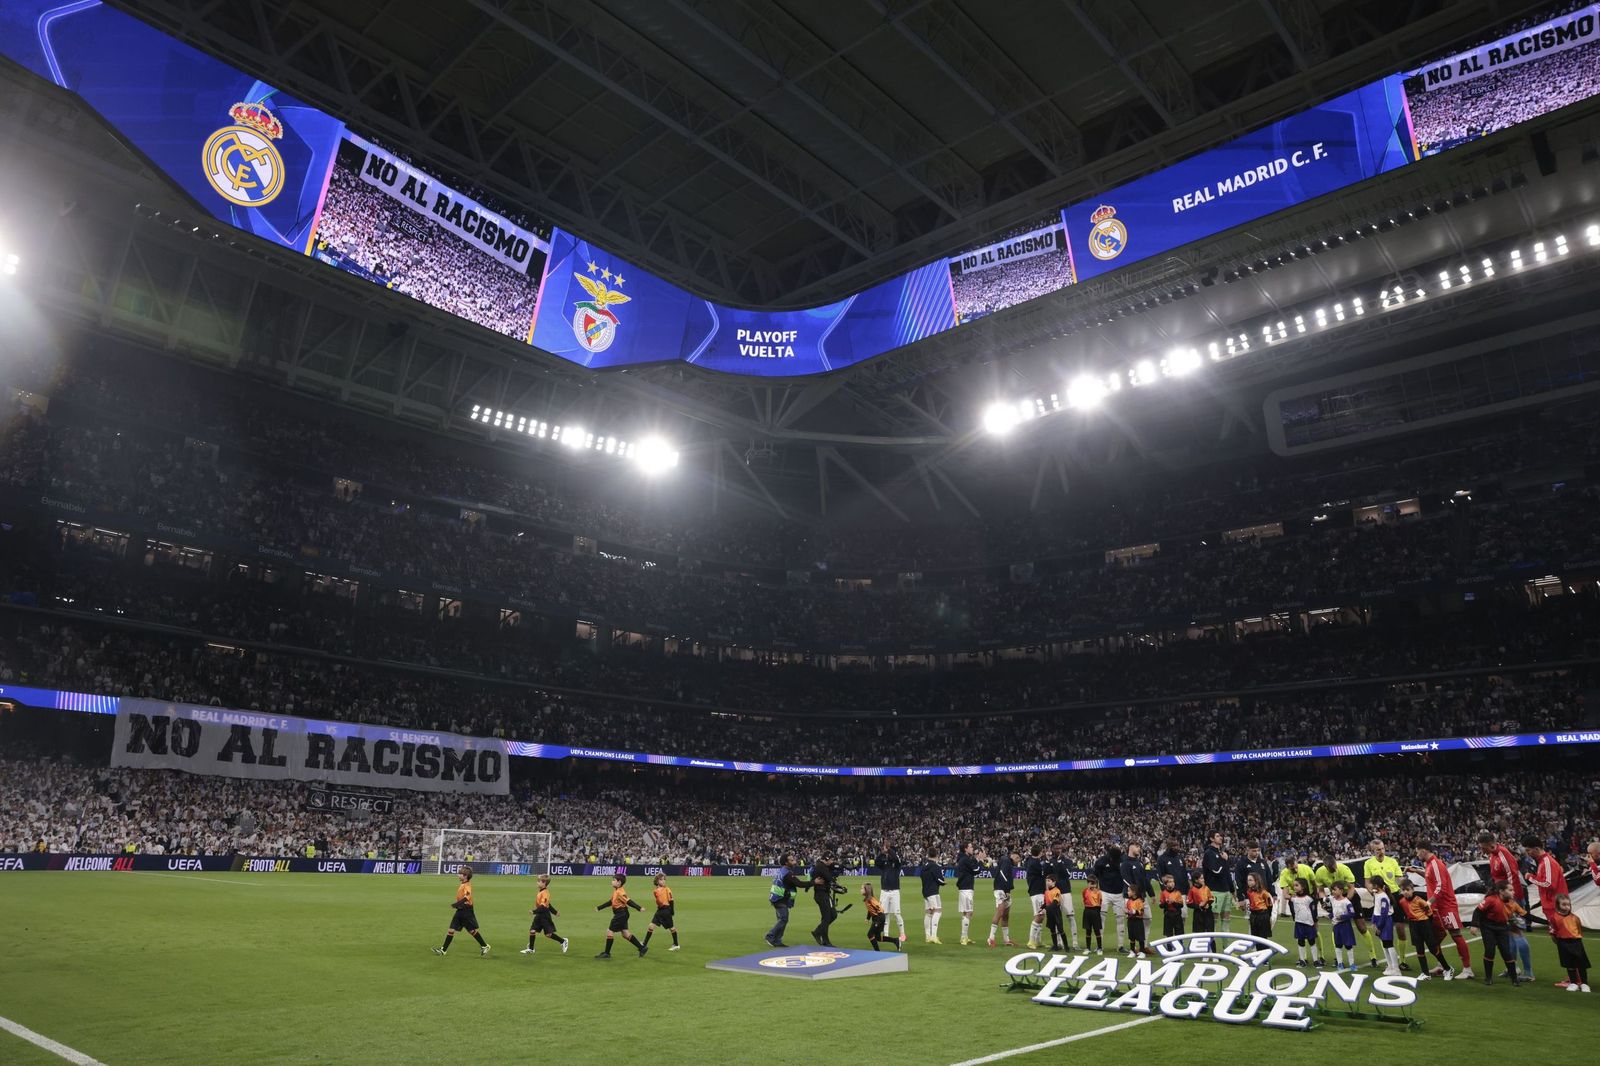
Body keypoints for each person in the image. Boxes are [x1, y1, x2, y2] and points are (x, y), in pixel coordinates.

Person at [1414, 843, 1474, 979]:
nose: (1417, 855)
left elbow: (1441, 887)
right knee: (1435, 937)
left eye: (1418, 852)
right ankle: (1442, 965)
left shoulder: (1436, 864)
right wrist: (1416, 871)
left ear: (1424, 850)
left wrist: (1429, 902)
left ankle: (1467, 969)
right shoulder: (1429, 864)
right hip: (1435, 907)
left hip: (1446, 906)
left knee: (1456, 934)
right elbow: (1430, 878)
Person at [1364, 839, 1408, 969]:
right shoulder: (1368, 863)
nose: (1381, 851)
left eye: (1383, 848)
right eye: (1378, 849)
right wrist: (1374, 893)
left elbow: (1399, 879)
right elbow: (1367, 882)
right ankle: (1390, 963)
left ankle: (1402, 961)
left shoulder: (1392, 861)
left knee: (1400, 928)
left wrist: (1405, 886)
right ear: (1372, 850)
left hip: (1394, 896)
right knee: (1382, 930)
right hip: (1380, 897)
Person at [1397, 881, 1450, 979]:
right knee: (1419, 949)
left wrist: (1427, 923)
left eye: (1408, 889)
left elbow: (1429, 912)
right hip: (1413, 925)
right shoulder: (1401, 902)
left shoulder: (1419, 900)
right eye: (1403, 890)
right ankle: (1425, 974)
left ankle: (1448, 969)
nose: (1405, 892)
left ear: (1412, 890)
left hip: (1424, 923)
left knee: (1433, 949)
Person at [1473, 881, 1522, 987]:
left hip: (1502, 928)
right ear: (1501, 891)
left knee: (1506, 953)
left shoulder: (1512, 903)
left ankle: (1514, 978)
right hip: (1488, 927)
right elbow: (1477, 911)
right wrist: (1474, 925)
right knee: (1490, 951)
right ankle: (1488, 978)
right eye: (1510, 890)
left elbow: (1526, 915)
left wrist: (1546, 922)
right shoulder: (1491, 899)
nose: (1513, 892)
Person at [434, 864, 490, 957]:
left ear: (465, 876)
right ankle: (443, 950)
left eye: (460, 874)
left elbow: (467, 897)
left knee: (471, 930)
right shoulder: (463, 884)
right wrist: (458, 905)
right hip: (461, 910)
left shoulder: (467, 886)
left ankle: (485, 946)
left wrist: (456, 904)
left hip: (466, 911)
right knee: (452, 929)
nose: (458, 875)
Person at [1523, 835, 1570, 931]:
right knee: (1558, 935)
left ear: (1536, 849)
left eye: (1528, 850)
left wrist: (1530, 877)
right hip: (1552, 905)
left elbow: (1549, 884)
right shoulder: (1542, 862)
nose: (1527, 853)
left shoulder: (1547, 862)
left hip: (1555, 906)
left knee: (1563, 935)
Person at [595, 874, 647, 958]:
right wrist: (600, 907)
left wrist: (639, 908)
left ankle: (607, 953)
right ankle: (642, 948)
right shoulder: (616, 890)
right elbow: (611, 902)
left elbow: (628, 901)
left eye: (614, 880)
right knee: (625, 933)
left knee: (610, 931)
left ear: (619, 882)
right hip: (622, 914)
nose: (612, 881)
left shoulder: (620, 892)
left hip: (621, 914)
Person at [1549, 894, 1591, 992]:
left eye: (1568, 904)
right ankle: (1573, 983)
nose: (1566, 907)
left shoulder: (1575, 918)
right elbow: (1553, 933)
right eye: (1564, 904)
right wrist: (1559, 943)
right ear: (1558, 905)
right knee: (1569, 964)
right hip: (1563, 943)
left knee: (1581, 964)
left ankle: (1584, 983)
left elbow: (1579, 930)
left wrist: (1576, 939)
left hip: (1576, 942)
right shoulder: (1554, 918)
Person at [522, 874, 569, 955]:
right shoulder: (541, 891)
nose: (537, 883)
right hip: (539, 914)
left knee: (548, 934)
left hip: (544, 915)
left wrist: (534, 911)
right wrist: (555, 912)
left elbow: (544, 907)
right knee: (532, 930)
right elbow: (548, 904)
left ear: (544, 883)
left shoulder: (545, 893)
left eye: (539, 881)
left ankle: (563, 941)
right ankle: (531, 949)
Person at [1091, 844, 1127, 952]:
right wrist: (1095, 888)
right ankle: (1099, 945)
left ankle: (1120, 946)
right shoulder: (1102, 860)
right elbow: (1095, 874)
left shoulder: (1123, 860)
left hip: (1119, 894)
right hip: (1104, 893)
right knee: (1101, 919)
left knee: (1120, 919)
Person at [1367, 875, 1401, 976]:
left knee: (1389, 944)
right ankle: (1390, 966)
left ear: (1376, 885)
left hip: (1385, 921)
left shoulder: (1383, 897)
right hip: (1379, 921)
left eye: (1371, 884)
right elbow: (1376, 909)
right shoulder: (1376, 894)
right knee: (1384, 945)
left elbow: (1384, 913)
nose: (1370, 886)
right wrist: (1373, 922)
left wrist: (1379, 926)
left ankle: (1396, 968)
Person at [1478, 830, 1525, 905]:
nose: (1482, 851)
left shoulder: (1503, 854)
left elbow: (1513, 876)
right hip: (1503, 893)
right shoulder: (1492, 854)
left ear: (1492, 846)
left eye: (1484, 848)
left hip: (1512, 895)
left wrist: (1511, 898)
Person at [874, 842, 907, 945]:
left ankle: (902, 934)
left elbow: (896, 859)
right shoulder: (884, 863)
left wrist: (888, 850)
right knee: (884, 914)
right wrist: (882, 853)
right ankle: (886, 934)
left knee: (897, 913)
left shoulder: (896, 864)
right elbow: (876, 862)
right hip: (884, 891)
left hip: (894, 891)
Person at [766, 854, 802, 948]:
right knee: (784, 919)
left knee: (782, 919)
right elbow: (800, 884)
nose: (794, 862)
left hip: (777, 897)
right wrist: (814, 882)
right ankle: (770, 936)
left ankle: (777, 940)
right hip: (780, 898)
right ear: (786, 862)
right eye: (792, 860)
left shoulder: (783, 871)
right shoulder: (787, 873)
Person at [1202, 832, 1234, 932]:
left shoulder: (1221, 853)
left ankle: (1226, 942)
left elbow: (1227, 873)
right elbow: (1216, 871)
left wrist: (1232, 889)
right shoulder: (1209, 853)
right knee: (1213, 920)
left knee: (1226, 920)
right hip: (1214, 891)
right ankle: (1211, 942)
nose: (1220, 838)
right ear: (1211, 839)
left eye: (1220, 836)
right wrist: (1224, 860)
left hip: (1226, 891)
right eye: (1217, 836)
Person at [987, 847, 1019, 948]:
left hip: (1005, 890)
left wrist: (1008, 890)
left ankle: (1006, 940)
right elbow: (1002, 874)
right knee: (1000, 913)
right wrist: (1006, 889)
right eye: (1017, 858)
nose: (1018, 861)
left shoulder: (1007, 861)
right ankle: (991, 938)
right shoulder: (1006, 860)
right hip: (1001, 889)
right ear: (1012, 856)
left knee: (1005, 916)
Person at [810, 852, 844, 948]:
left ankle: (819, 933)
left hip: (824, 894)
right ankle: (824, 939)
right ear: (827, 858)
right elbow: (829, 878)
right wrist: (838, 885)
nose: (832, 862)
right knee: (827, 917)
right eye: (831, 859)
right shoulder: (821, 867)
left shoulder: (822, 866)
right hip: (821, 894)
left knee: (832, 915)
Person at [1289, 878, 1322, 968]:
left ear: (1303, 887)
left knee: (1312, 941)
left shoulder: (1309, 899)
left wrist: (1315, 922)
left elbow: (1314, 912)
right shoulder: (1293, 899)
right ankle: (1302, 960)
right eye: (1294, 885)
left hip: (1309, 924)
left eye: (1297, 885)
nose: (1294, 887)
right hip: (1299, 924)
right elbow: (1292, 910)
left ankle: (1316, 960)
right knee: (1300, 941)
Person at [643, 873, 678, 952]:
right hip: (660, 910)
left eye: (664, 879)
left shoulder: (667, 889)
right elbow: (659, 902)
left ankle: (676, 944)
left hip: (666, 910)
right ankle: (644, 943)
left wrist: (672, 910)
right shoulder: (655, 891)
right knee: (651, 926)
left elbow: (671, 900)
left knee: (671, 928)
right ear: (657, 881)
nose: (663, 881)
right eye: (661, 879)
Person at [955, 842, 982, 946]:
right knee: (969, 912)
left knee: (966, 912)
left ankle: (965, 936)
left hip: (964, 887)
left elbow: (972, 868)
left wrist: (976, 859)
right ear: (965, 849)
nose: (972, 848)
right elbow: (976, 870)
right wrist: (979, 860)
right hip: (966, 888)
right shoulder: (965, 859)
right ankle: (963, 937)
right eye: (970, 847)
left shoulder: (964, 858)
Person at [1025, 844, 1050, 949]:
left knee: (1041, 915)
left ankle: (1038, 941)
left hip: (1037, 891)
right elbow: (1044, 873)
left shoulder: (1030, 861)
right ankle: (1031, 941)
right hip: (1037, 891)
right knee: (1039, 915)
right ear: (1040, 852)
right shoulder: (1035, 863)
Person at [920, 847, 946, 944]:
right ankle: (934, 936)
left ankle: (927, 936)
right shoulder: (935, 866)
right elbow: (940, 880)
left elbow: (921, 877)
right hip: (933, 892)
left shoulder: (924, 866)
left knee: (929, 912)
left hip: (925, 892)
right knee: (938, 912)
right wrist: (943, 883)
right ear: (936, 855)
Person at [862, 882, 898, 952]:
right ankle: (895, 940)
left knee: (870, 934)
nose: (860, 890)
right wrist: (868, 918)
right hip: (878, 918)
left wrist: (878, 920)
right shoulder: (868, 899)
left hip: (879, 918)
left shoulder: (870, 899)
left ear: (866, 890)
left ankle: (877, 952)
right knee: (878, 937)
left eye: (862, 888)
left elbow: (879, 908)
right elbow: (870, 909)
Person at [1330, 883, 1357, 973]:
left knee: (1348, 945)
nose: (1333, 891)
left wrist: (1342, 917)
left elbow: (1352, 913)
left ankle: (1352, 963)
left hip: (1345, 926)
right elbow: (1333, 912)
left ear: (1341, 891)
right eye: (1332, 890)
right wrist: (1330, 915)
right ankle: (1340, 963)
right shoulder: (1333, 900)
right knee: (1338, 945)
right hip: (1336, 926)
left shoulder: (1346, 902)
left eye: (1335, 889)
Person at [1244, 873, 1274, 940]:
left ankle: (1263, 947)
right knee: (1254, 937)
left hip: (1262, 915)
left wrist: (1268, 915)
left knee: (1263, 937)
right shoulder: (1249, 892)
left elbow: (1269, 905)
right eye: (1248, 880)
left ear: (1256, 881)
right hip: (1253, 915)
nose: (1248, 882)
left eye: (1250, 880)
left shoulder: (1264, 892)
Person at [1081, 876, 1105, 954]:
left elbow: (1100, 903)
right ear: (1088, 883)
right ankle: (1088, 948)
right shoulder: (1084, 891)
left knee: (1097, 930)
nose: (1092, 885)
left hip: (1095, 911)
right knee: (1088, 930)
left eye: (1094, 884)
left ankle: (1099, 948)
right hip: (1087, 911)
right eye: (1090, 883)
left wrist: (1097, 911)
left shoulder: (1098, 892)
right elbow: (1084, 900)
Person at [1043, 875, 1067, 951]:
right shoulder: (1046, 892)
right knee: (1052, 929)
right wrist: (1042, 907)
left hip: (1056, 912)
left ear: (1054, 882)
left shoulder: (1057, 891)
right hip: (1049, 912)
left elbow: (1055, 902)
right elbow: (1046, 903)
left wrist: (1047, 908)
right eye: (1046, 881)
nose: (1047, 882)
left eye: (1049, 881)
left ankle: (1066, 947)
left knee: (1060, 929)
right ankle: (1055, 946)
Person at [1158, 874, 1186, 939]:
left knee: (1179, 934)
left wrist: (1173, 902)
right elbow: (1161, 905)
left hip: (1177, 915)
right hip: (1168, 915)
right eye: (1170, 882)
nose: (1172, 883)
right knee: (1168, 935)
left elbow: (1181, 905)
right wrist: (1166, 902)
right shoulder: (1163, 893)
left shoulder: (1177, 893)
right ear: (1166, 884)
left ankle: (1180, 945)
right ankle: (1169, 946)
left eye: (1173, 881)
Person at [1125, 887, 1147, 955]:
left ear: (1134, 892)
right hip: (1130, 921)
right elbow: (1127, 910)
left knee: (1140, 937)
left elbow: (1141, 912)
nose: (1127, 892)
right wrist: (1127, 912)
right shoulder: (1129, 901)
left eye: (1129, 891)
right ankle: (1132, 951)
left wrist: (1134, 912)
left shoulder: (1139, 901)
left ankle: (1142, 952)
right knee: (1131, 937)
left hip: (1138, 921)